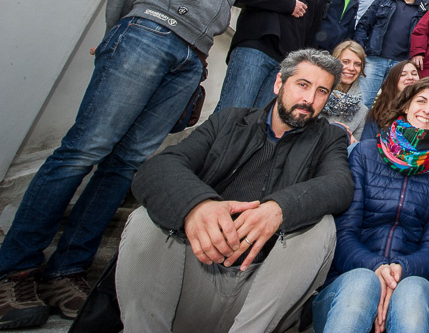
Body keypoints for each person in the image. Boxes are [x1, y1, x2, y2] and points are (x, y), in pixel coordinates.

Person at [0, 0, 279, 328]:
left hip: (190, 59)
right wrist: (118, 31)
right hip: (148, 35)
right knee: (85, 149)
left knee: (127, 162)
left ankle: (66, 270)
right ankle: (14, 269)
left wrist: (198, 69)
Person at [118, 48, 353, 333]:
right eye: (302, 85)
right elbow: (157, 169)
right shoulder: (229, 121)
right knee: (146, 220)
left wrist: (278, 209)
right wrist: (197, 205)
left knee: (321, 228)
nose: (309, 100)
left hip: (261, 295)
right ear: (279, 83)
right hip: (193, 277)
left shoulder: (328, 138)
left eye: (321, 92)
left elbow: (339, 185)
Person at [313, 77, 429, 333]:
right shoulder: (366, 153)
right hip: (349, 281)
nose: (427, 110)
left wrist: (399, 271)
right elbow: (344, 233)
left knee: (412, 292)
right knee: (362, 284)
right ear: (405, 106)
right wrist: (376, 268)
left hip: (408, 279)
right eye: (421, 101)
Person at [354, 0, 428, 104]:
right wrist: (360, 48)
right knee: (363, 103)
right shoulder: (383, 0)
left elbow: (425, 37)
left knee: (394, 106)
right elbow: (364, 25)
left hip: (402, 66)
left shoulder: (424, 11)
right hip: (375, 59)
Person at [362, 60, 420, 142]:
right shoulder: (378, 111)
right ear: (393, 80)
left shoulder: (425, 109)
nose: (410, 77)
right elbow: (366, 143)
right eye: (403, 74)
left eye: (414, 74)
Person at [322, 40, 368, 141]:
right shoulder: (318, 95)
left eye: (357, 64)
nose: (351, 68)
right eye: (345, 62)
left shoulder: (362, 111)